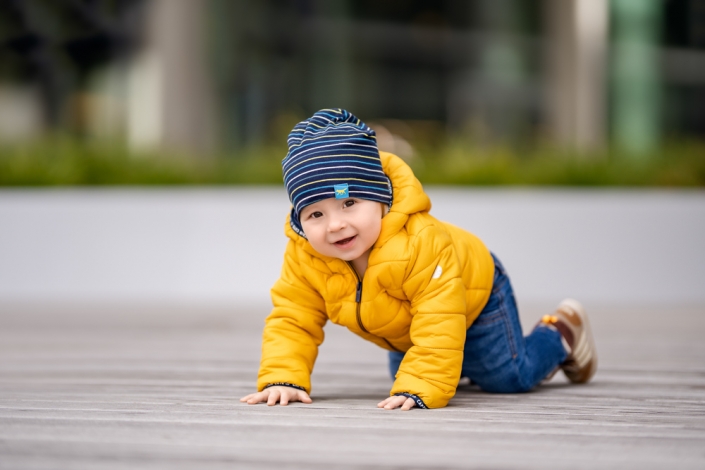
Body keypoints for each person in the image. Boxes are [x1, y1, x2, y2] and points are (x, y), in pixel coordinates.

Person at [240, 109, 597, 410]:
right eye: (315, 215)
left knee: (507, 377)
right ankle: (459, 362)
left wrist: (422, 383)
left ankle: (561, 332)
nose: (335, 225)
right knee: (413, 373)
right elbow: (293, 317)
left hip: (475, 292)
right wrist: (282, 377)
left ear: (381, 199)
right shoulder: (306, 257)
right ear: (299, 220)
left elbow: (439, 313)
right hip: (407, 326)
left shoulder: (419, 243)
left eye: (350, 203)